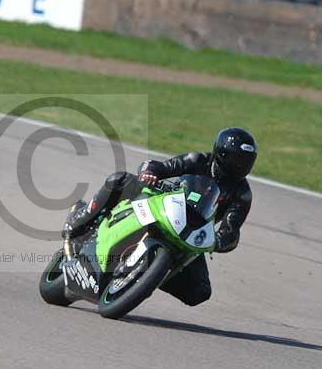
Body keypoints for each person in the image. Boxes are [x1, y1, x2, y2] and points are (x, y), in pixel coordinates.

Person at [61, 127, 257, 307]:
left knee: (200, 292)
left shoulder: (242, 193)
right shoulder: (197, 160)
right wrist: (150, 173)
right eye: (236, 160)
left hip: (192, 231)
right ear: (221, 154)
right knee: (120, 180)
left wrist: (221, 241)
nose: (240, 166)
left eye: (246, 162)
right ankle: (80, 220)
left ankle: (147, 275)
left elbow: (232, 228)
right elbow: (162, 166)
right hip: (166, 205)